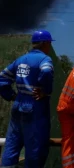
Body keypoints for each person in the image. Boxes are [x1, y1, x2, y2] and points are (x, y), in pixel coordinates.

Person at [0, 30, 55, 168]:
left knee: (12, 143)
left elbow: (2, 78)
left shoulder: (21, 59)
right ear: (46, 43)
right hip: (35, 106)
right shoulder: (44, 59)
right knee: (36, 147)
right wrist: (45, 90)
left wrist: (11, 95)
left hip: (18, 104)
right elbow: (47, 71)